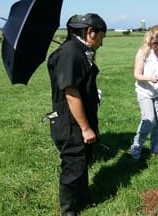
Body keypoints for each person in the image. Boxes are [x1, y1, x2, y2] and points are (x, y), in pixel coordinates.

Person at [47, 13, 107, 215]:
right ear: (90, 32)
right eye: (101, 37)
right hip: (71, 122)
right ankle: (68, 210)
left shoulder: (79, 50)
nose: (101, 42)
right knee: (73, 163)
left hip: (80, 119)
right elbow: (71, 93)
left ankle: (82, 198)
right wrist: (85, 128)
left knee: (82, 160)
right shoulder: (71, 53)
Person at [130, 24, 158, 160]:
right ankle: (136, 147)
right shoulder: (143, 52)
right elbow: (137, 75)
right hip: (145, 92)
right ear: (150, 41)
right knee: (148, 120)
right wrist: (150, 78)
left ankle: (155, 148)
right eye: (155, 43)